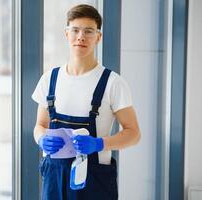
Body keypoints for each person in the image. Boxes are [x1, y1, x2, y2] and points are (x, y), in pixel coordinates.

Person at [32, 4, 141, 200]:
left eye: (88, 31)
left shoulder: (113, 83)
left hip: (95, 181)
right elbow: (40, 125)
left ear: (98, 37)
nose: (81, 36)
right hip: (54, 178)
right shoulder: (50, 79)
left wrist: (100, 144)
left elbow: (133, 134)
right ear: (66, 34)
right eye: (75, 30)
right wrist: (41, 139)